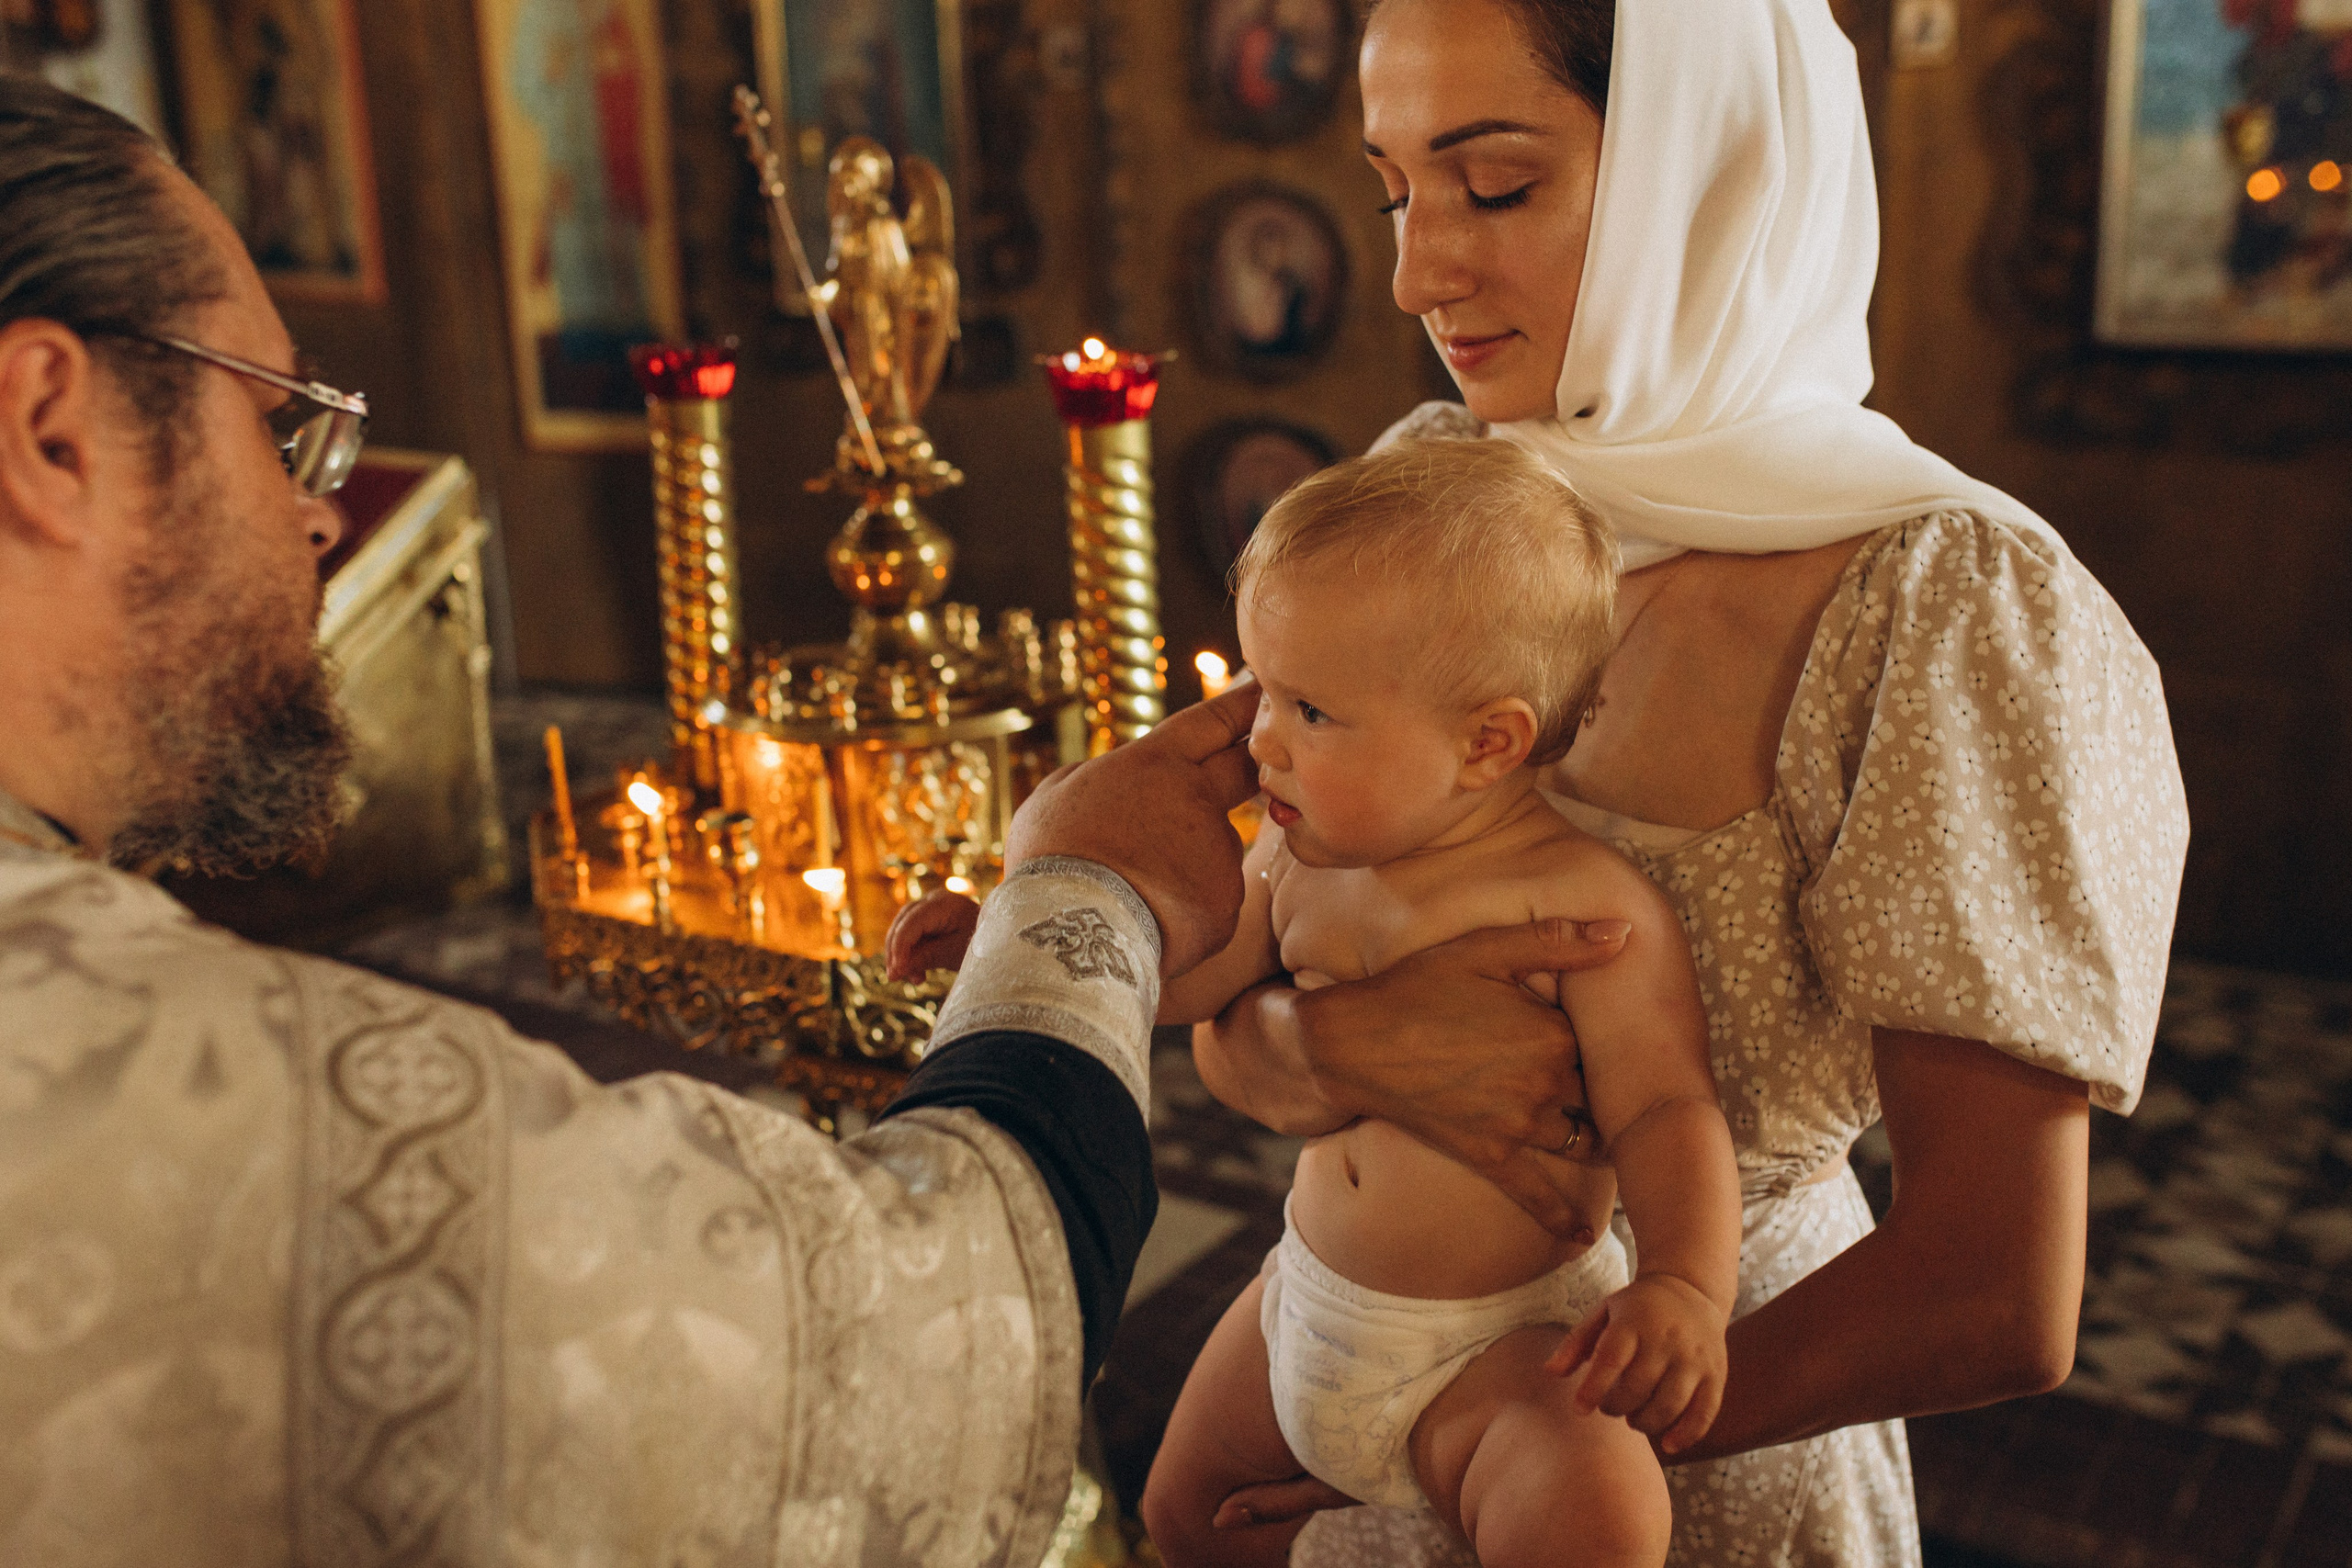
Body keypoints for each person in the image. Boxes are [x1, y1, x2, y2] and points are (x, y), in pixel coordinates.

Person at [0, 78, 1641, 1567]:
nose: (318, 508)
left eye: (1491, 183)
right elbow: (931, 1332)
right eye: (279, 420)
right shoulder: (205, 1093)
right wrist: (1082, 898)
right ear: (49, 428)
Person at [1191, 2, 2192, 1566]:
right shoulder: (1444, 483)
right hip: (1353, 1360)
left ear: (1710, 165)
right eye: (1393, 191)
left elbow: (1995, 1288)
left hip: (1690, 1444)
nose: (1415, 273)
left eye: (1496, 185)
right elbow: (1238, 954)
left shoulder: (1944, 602)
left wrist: (1514, 1455)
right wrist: (1323, 1047)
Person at [1140, 440, 1740, 1568]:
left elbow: (1666, 1108)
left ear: (1486, 744)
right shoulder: (1293, 853)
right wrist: (1036, 931)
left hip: (1504, 1347)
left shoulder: (1584, 907)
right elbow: (1186, 980)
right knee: (1181, 1519)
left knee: (1596, 1519)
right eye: (1263, 691)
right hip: (1304, 1303)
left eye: (1309, 710)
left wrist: (1685, 1285)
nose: (1260, 739)